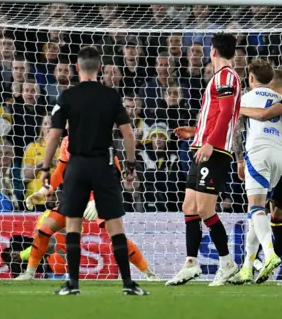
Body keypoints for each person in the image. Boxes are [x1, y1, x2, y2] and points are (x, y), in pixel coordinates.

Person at [39, 46, 147, 296]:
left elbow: (54, 134)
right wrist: (130, 164)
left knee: (74, 225)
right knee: (115, 225)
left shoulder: (66, 96)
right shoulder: (111, 96)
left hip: (76, 165)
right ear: (100, 68)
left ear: (77, 69)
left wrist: (46, 167)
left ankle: (73, 284)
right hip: (103, 164)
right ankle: (129, 285)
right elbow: (128, 133)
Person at [16, 134, 158, 281]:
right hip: (76, 195)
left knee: (117, 237)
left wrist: (97, 199)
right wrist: (44, 190)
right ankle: (29, 273)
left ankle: (148, 273)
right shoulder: (67, 141)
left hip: (100, 195)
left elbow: (114, 174)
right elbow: (59, 171)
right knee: (45, 229)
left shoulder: (102, 140)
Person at [167, 33, 241, 287]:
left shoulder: (226, 76)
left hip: (215, 152)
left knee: (204, 209)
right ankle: (190, 263)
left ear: (213, 52)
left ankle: (228, 263)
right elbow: (213, 116)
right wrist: (195, 133)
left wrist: (210, 142)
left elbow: (226, 113)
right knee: (189, 206)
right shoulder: (220, 77)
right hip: (203, 147)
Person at [228, 60, 281, 285]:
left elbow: (236, 131)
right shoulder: (279, 99)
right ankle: (247, 268)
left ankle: (269, 255)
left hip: (257, 154)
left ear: (250, 79)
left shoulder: (245, 99)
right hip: (278, 157)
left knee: (256, 208)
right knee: (254, 210)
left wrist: (239, 159)